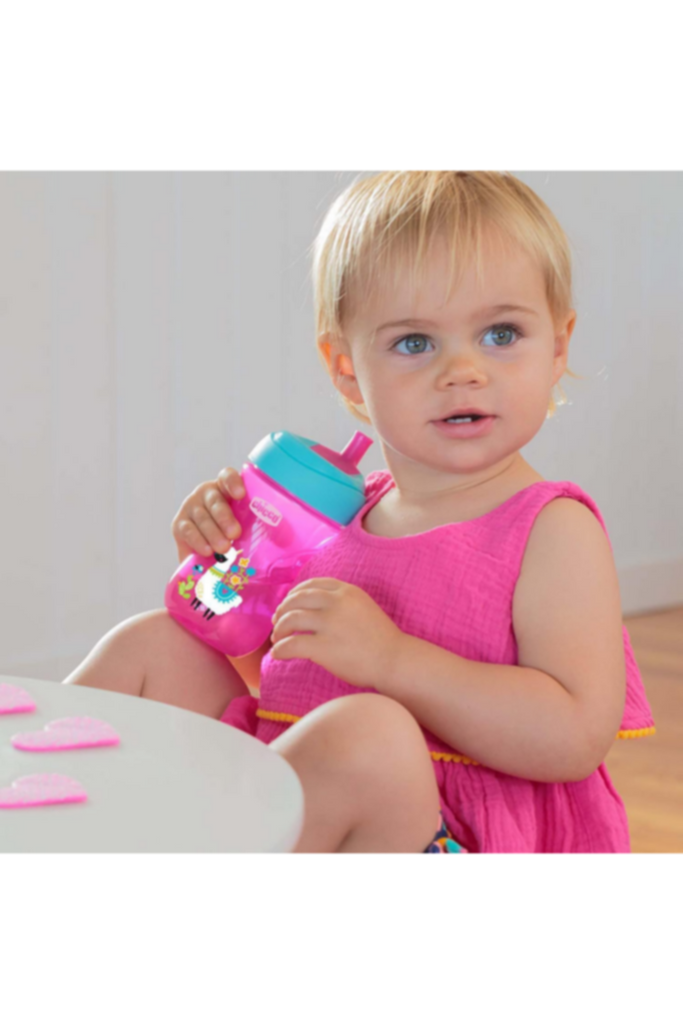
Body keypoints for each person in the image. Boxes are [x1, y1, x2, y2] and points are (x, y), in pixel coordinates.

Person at [65, 166, 655, 858]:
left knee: (370, 733)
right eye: (414, 343)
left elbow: (573, 738)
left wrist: (393, 660)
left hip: (449, 835)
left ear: (557, 346)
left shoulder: (551, 531)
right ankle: (36, 814)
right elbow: (284, 680)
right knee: (157, 643)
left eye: (501, 333)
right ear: (345, 368)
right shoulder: (338, 515)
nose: (463, 370)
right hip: (309, 804)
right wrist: (217, 572)